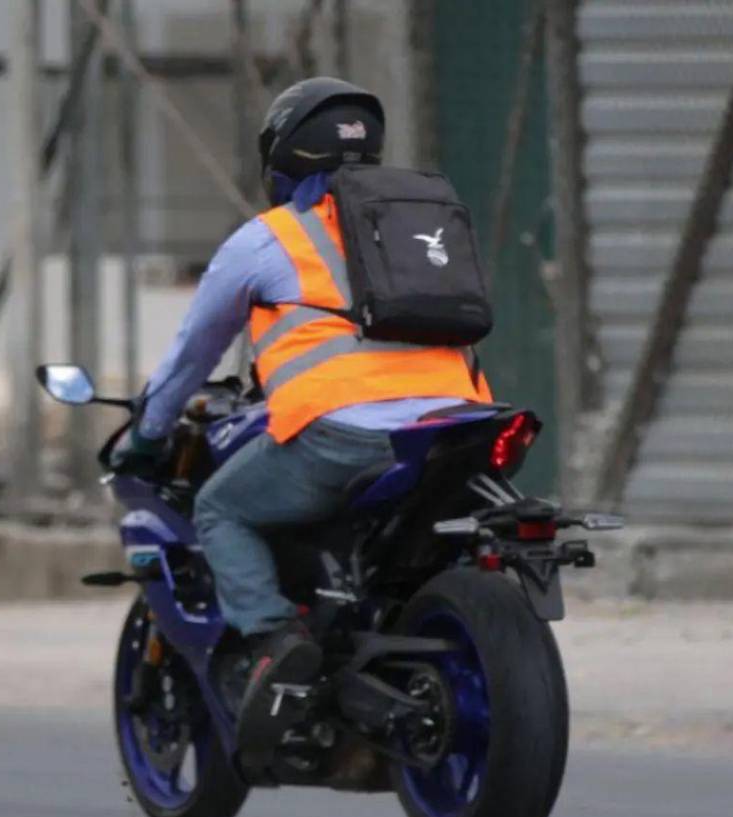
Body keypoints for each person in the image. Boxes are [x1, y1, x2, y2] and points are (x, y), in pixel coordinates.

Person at [116, 77, 493, 744]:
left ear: (283, 157)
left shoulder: (271, 238)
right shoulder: (419, 224)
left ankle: (271, 640)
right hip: (461, 425)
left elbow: (192, 354)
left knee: (222, 509)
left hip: (346, 433)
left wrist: (147, 434)